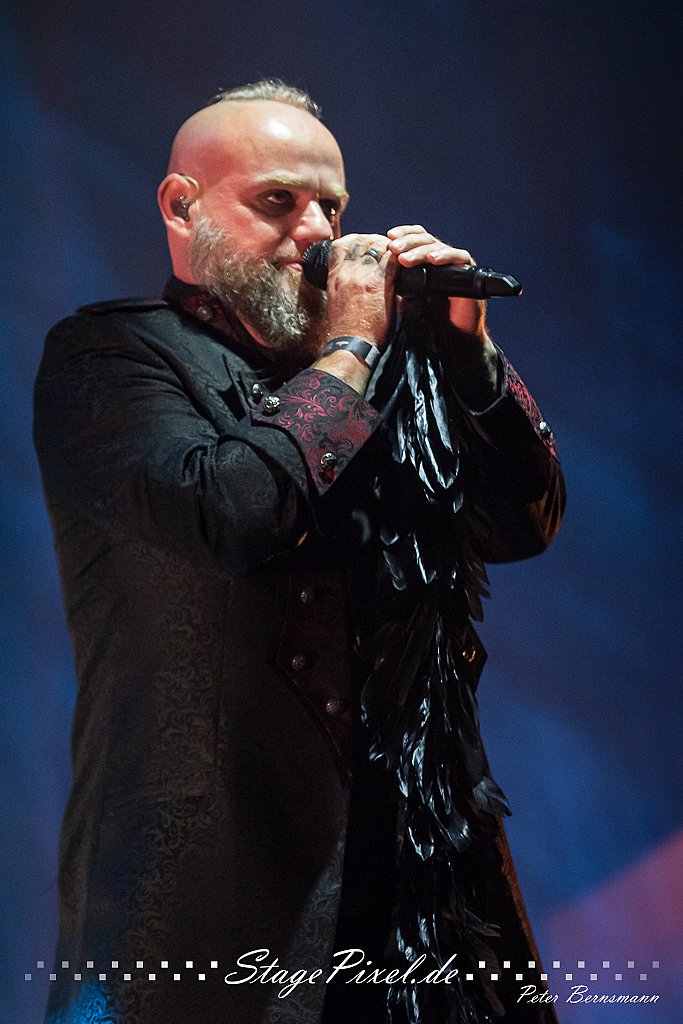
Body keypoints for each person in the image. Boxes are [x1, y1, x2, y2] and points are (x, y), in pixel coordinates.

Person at [33, 80, 565, 1024]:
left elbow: (520, 523)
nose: (316, 233)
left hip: (421, 885)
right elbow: (230, 512)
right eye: (278, 201)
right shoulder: (110, 358)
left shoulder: (379, 371)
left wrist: (467, 352)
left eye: (331, 206)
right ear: (182, 206)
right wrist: (352, 345)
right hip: (220, 890)